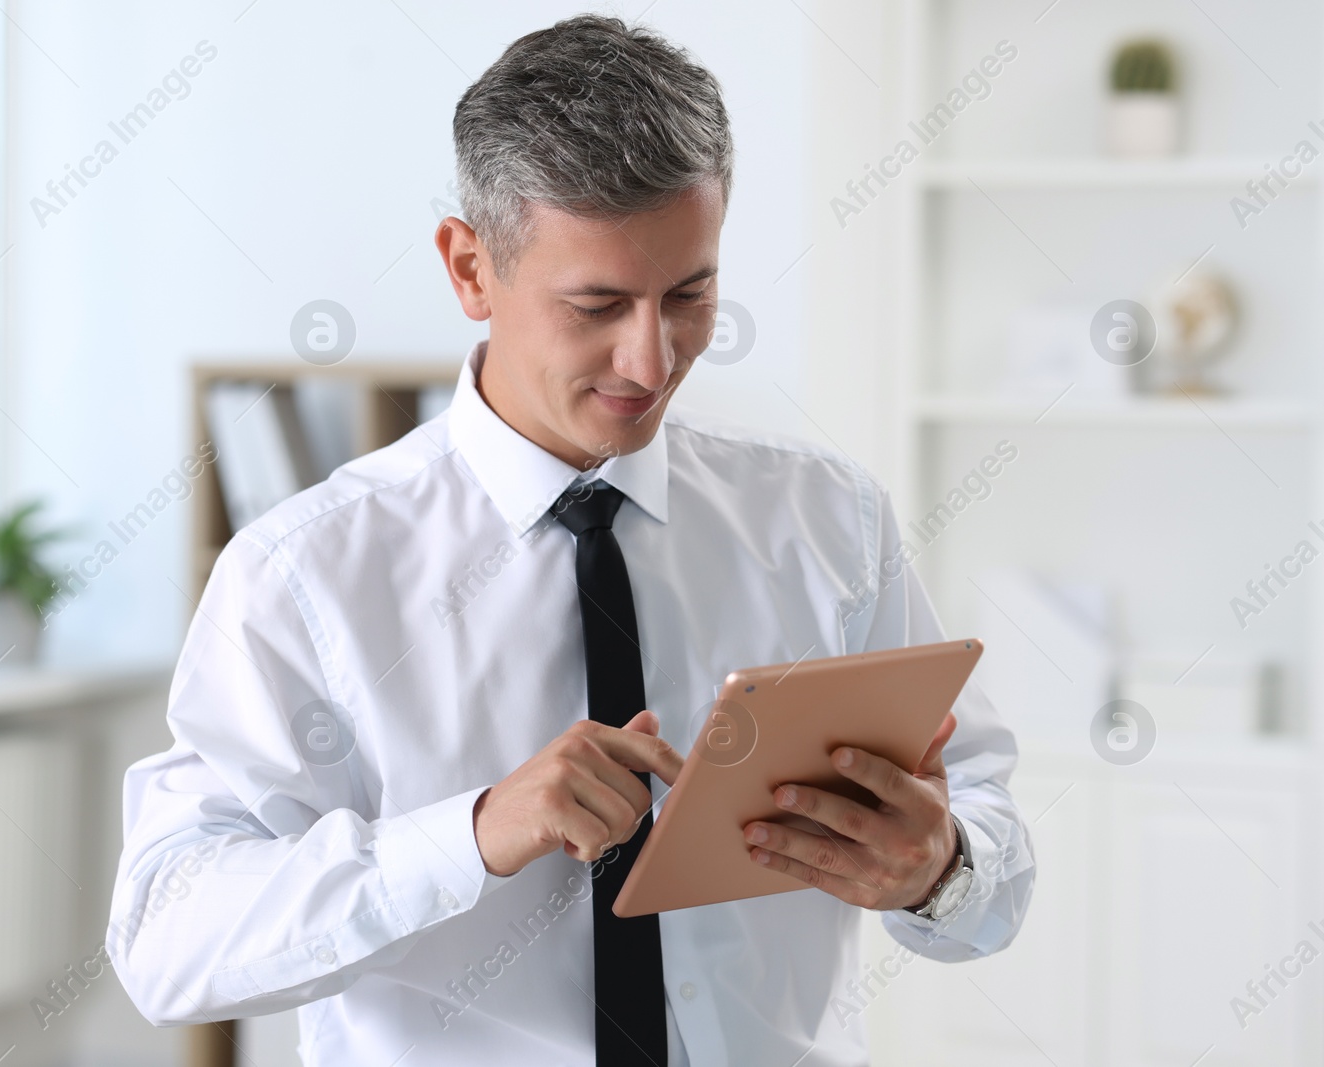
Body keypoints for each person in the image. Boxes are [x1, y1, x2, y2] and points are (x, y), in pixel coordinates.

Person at [109, 14, 1034, 1066]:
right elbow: (166, 940)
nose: (651, 355)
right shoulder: (307, 574)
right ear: (469, 267)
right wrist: (467, 834)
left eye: (689, 292)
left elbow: (989, 855)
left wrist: (940, 867)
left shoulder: (829, 522)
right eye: (596, 303)